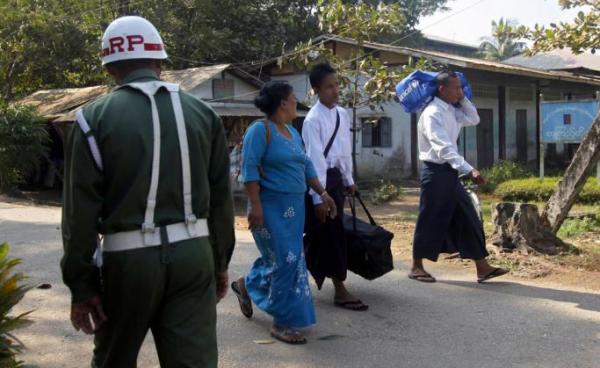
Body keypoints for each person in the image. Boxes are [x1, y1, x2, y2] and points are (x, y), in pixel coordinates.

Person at [61, 16, 235, 367]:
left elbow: (79, 215)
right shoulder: (204, 114)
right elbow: (221, 202)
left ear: (110, 68)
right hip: (194, 255)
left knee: (114, 360)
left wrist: (82, 287)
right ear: (160, 62)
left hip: (128, 263)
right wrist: (219, 262)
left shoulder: (92, 119)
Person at [230, 81, 336, 345]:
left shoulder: (292, 132)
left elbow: (307, 165)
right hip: (268, 207)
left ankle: (246, 284)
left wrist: (322, 194)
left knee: (290, 259)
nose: (296, 105)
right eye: (292, 99)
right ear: (282, 103)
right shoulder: (260, 130)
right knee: (285, 261)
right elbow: (250, 170)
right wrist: (255, 205)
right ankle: (281, 323)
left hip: (294, 207)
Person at [409, 71, 508, 284]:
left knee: (468, 215)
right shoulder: (432, 113)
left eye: (461, 87)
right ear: (442, 89)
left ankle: (482, 267)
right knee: (429, 218)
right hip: (435, 173)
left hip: (450, 173)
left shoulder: (451, 111)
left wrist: (462, 98)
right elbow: (443, 148)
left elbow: (474, 118)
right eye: (456, 88)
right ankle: (416, 266)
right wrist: (469, 169)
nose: (460, 91)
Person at [302, 63, 368, 311]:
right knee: (328, 236)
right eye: (329, 86)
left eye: (337, 84)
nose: (335, 90)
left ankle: (261, 276)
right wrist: (319, 197)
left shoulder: (342, 113)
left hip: (336, 182)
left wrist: (349, 180)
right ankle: (340, 290)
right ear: (316, 90)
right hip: (320, 184)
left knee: (320, 237)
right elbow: (314, 160)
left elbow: (343, 152)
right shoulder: (312, 120)